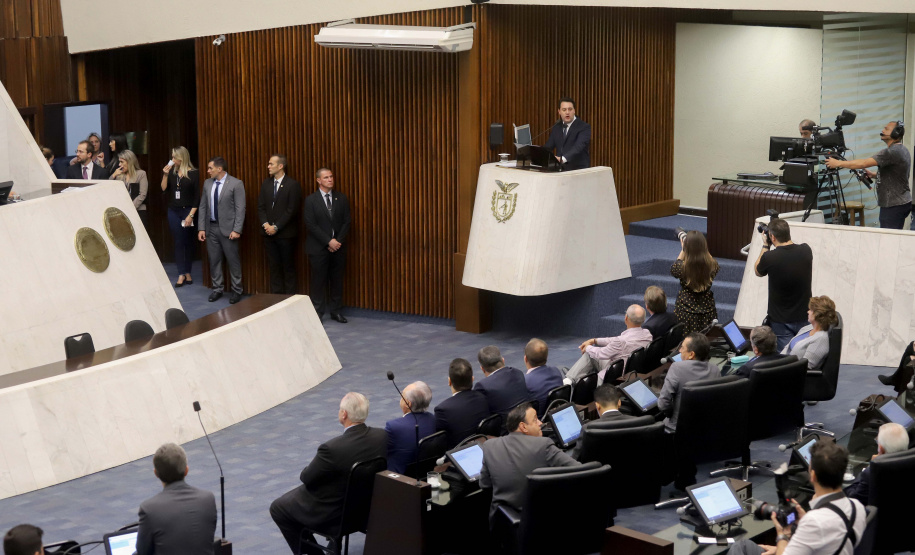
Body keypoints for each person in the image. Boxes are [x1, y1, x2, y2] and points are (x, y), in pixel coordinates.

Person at [270, 392, 386, 555]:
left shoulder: (332, 449)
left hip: (336, 516)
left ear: (344, 414)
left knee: (278, 508)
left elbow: (307, 478)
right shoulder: (382, 436)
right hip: (367, 510)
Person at [731, 441, 865, 555]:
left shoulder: (814, 521)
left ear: (813, 476)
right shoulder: (857, 507)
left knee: (739, 547)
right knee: (746, 547)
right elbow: (829, 540)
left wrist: (783, 535)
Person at [479, 402, 580, 523]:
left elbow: (485, 485)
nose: (540, 423)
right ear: (523, 427)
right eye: (535, 420)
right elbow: (578, 470)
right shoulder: (543, 444)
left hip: (505, 526)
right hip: (544, 521)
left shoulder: (489, 446)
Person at [825, 120, 911, 229]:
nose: (882, 130)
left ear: (896, 133)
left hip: (893, 205)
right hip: (902, 202)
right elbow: (897, 174)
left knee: (889, 240)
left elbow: (864, 163)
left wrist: (838, 163)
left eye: (886, 129)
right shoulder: (902, 149)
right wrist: (874, 175)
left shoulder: (890, 152)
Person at [135, 443, 217, 555]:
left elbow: (143, 552)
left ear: (156, 474)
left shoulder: (149, 509)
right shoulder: (208, 499)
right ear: (186, 470)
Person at [754, 218, 813, 351]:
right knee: (802, 356)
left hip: (780, 321)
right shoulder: (806, 250)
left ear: (772, 237)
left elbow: (758, 271)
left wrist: (765, 245)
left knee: (785, 359)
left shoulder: (770, 257)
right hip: (804, 316)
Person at [304, 168, 351, 323]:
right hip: (318, 248)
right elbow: (311, 224)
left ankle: (335, 311)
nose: (330, 179)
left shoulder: (341, 198)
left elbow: (346, 221)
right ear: (319, 180)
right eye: (326, 177)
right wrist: (328, 241)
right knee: (318, 281)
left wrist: (337, 241)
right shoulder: (311, 200)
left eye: (331, 176)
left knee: (337, 280)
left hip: (338, 247)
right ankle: (318, 312)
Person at [563, 304, 652, 385]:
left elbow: (601, 353)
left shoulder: (621, 341)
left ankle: (571, 380)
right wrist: (595, 341)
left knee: (590, 354)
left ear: (626, 318)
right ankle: (573, 377)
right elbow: (615, 340)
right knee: (591, 353)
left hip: (614, 374)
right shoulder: (647, 334)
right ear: (643, 320)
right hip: (631, 370)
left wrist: (587, 347)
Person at [198, 157, 245, 304]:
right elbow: (203, 206)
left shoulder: (236, 184)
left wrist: (237, 229)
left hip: (229, 229)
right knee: (214, 260)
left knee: (233, 261)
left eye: (210, 168)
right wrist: (201, 228)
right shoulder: (207, 183)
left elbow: (240, 208)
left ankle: (237, 290)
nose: (208, 171)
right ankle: (217, 289)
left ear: (219, 169)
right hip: (211, 228)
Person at [658, 332, 720, 434]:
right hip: (707, 427)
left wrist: (671, 415)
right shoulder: (715, 370)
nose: (680, 350)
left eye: (682, 348)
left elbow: (663, 404)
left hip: (677, 429)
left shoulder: (676, 367)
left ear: (691, 354)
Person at [257, 154, 302, 294]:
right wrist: (266, 225)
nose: (268, 166)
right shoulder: (266, 183)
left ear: (280, 166)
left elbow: (292, 210)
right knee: (274, 267)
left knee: (288, 267)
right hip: (268, 234)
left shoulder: (292, 185)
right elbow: (261, 207)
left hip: (285, 235)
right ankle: (276, 299)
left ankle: (289, 298)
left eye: (271, 164)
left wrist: (276, 227)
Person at [161, 147, 199, 288]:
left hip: (188, 211)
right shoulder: (172, 172)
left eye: (174, 157)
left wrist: (191, 215)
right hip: (174, 211)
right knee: (178, 241)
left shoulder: (194, 174)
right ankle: (181, 273)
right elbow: (164, 189)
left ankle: (188, 271)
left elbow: (197, 198)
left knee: (187, 241)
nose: (172, 159)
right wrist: (165, 175)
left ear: (181, 158)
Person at [844, 422, 909, 504]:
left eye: (877, 440)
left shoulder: (872, 472)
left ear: (881, 449)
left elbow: (853, 498)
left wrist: (870, 466)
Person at [434, 358, 491, 448]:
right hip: (485, 446)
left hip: (458, 455)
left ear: (449, 381)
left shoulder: (442, 410)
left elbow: (439, 442)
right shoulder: (483, 397)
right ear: (472, 379)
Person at [670, 230, 719, 334]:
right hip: (708, 311)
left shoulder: (681, 268)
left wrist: (684, 248)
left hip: (686, 312)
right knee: (704, 342)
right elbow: (709, 258)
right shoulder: (713, 266)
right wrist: (701, 248)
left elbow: (674, 267)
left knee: (686, 344)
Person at [384, 381, 436, 474]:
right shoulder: (432, 419)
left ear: (408, 403)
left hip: (399, 480)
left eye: (402, 396)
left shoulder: (394, 427)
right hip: (426, 473)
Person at [571, 384, 634, 459]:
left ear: (597, 406)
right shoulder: (638, 422)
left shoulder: (588, 429)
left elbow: (575, 459)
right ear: (619, 403)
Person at [473, 345, 531, 418]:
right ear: (503, 360)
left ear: (482, 369)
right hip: (528, 421)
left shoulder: (482, 386)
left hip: (507, 428)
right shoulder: (518, 372)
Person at [781, 296, 838, 370]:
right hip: (783, 364)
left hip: (790, 374)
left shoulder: (821, 339)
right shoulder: (808, 328)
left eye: (811, 310)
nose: (808, 312)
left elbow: (806, 367)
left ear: (818, 315)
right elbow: (788, 346)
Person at [542, 97, 591, 171]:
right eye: (564, 110)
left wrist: (563, 159)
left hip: (578, 171)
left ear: (574, 110)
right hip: (560, 170)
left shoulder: (584, 127)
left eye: (570, 109)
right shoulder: (557, 127)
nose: (567, 112)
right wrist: (537, 155)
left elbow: (578, 147)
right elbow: (549, 147)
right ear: (559, 111)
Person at [522, 338, 563, 417]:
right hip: (556, 416)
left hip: (539, 421)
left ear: (525, 358)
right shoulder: (556, 371)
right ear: (546, 357)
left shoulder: (525, 381)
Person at [110, 149, 149, 228]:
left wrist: (130, 207)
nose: (120, 165)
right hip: (122, 211)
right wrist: (113, 175)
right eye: (119, 162)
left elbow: (142, 194)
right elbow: (109, 188)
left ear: (129, 161)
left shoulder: (141, 174)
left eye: (122, 162)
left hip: (138, 210)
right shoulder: (119, 175)